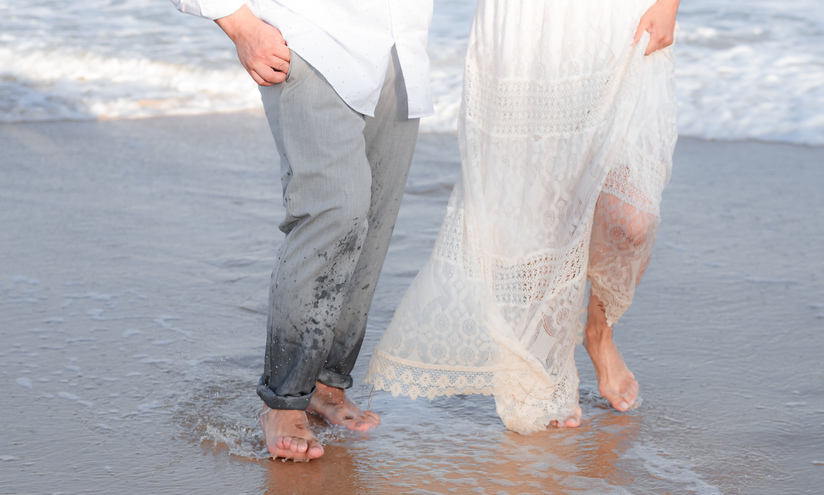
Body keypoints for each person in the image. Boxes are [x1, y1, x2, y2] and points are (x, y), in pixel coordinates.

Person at [366, 0, 679, 433]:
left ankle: (599, 332)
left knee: (631, 220)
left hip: (621, 19)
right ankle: (542, 362)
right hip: (526, 26)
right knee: (540, 210)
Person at [170, 0, 434, 460]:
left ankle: (325, 382)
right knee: (334, 212)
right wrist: (239, 24)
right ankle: (283, 398)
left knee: (370, 228)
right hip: (310, 38)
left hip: (399, 49)